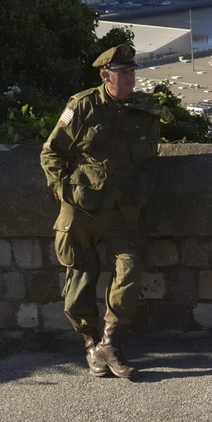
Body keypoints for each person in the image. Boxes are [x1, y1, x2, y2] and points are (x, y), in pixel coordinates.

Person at [39, 43, 164, 379]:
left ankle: (110, 339)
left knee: (130, 270)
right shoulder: (82, 106)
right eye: (122, 73)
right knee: (79, 276)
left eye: (132, 72)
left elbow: (149, 163)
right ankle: (91, 344)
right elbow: (51, 152)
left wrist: (139, 197)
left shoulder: (145, 113)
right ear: (105, 75)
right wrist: (65, 191)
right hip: (81, 207)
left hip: (123, 207)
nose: (129, 79)